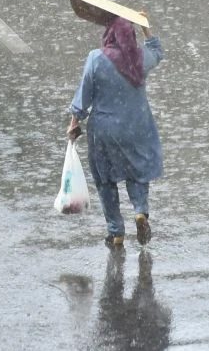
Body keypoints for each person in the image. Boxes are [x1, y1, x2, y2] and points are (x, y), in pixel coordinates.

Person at [67, 14, 163, 248]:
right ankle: (140, 211)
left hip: (105, 130)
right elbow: (158, 52)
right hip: (136, 126)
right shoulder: (138, 59)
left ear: (109, 35)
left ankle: (116, 231)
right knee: (137, 172)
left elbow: (84, 95)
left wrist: (74, 122)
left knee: (105, 178)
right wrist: (145, 29)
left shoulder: (96, 59)